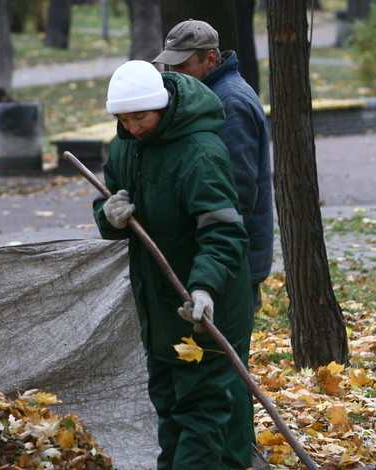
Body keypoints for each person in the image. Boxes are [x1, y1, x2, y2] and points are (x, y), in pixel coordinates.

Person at [92, 60, 254, 469]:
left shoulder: (200, 154)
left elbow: (224, 234)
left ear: (161, 106)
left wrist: (204, 287)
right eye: (123, 119)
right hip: (159, 304)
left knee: (202, 411)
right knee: (168, 403)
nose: (132, 127)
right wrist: (108, 215)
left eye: (139, 117)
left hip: (205, 304)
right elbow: (109, 198)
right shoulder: (125, 146)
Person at [153, 19, 273, 312]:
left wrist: (215, 257)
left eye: (182, 67)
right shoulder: (204, 97)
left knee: (220, 349)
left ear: (209, 58)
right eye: (169, 67)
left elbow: (237, 191)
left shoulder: (228, 103)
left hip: (229, 258)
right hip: (217, 254)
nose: (174, 76)